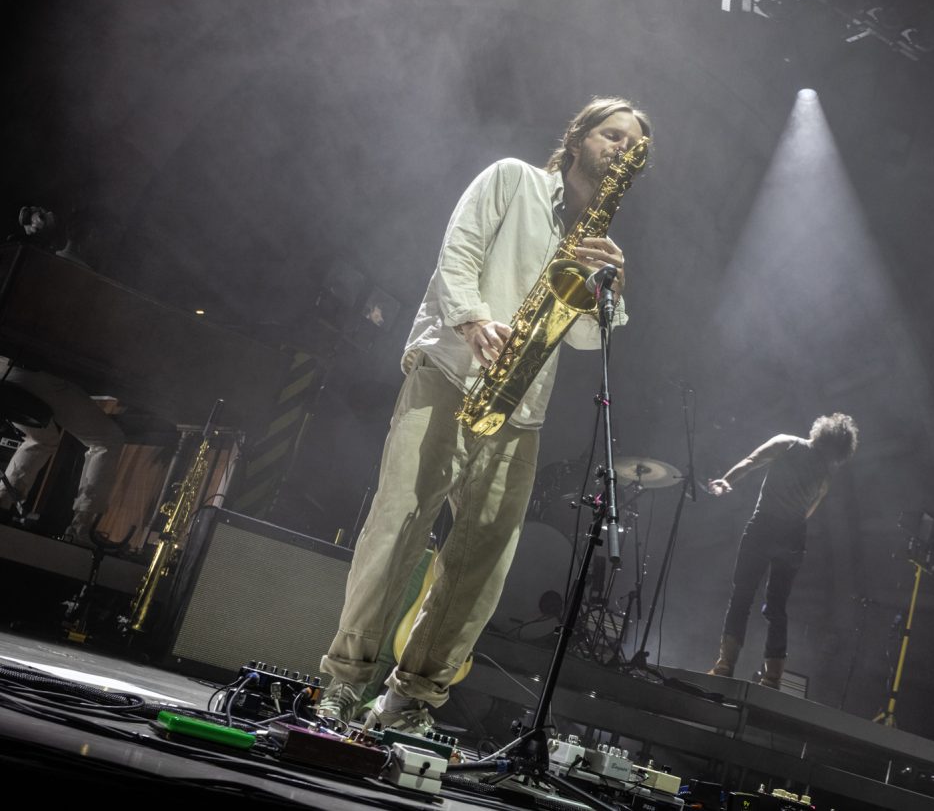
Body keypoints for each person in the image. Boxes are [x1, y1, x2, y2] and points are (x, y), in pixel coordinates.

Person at [316, 97, 650, 734]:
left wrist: (613, 289)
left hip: (519, 408)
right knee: (398, 531)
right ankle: (343, 683)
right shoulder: (512, 179)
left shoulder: (598, 243)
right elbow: (457, 252)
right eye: (612, 134)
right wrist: (472, 318)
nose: (620, 149)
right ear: (578, 137)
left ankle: (411, 700)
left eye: (631, 146)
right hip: (449, 373)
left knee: (482, 564)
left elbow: (584, 341)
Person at [705, 413, 859, 689]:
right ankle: (772, 679)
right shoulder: (825, 475)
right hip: (792, 535)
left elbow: (752, 461)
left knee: (742, 596)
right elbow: (807, 512)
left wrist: (727, 480)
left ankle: (725, 666)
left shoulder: (787, 443)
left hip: (764, 526)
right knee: (776, 607)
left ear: (820, 430)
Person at [1, 205, 124, 542]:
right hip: (37, 372)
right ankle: (80, 529)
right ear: (90, 238)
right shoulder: (86, 280)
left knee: (42, 437)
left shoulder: (40, 261)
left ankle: (2, 501)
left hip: (4, 365)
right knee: (108, 439)